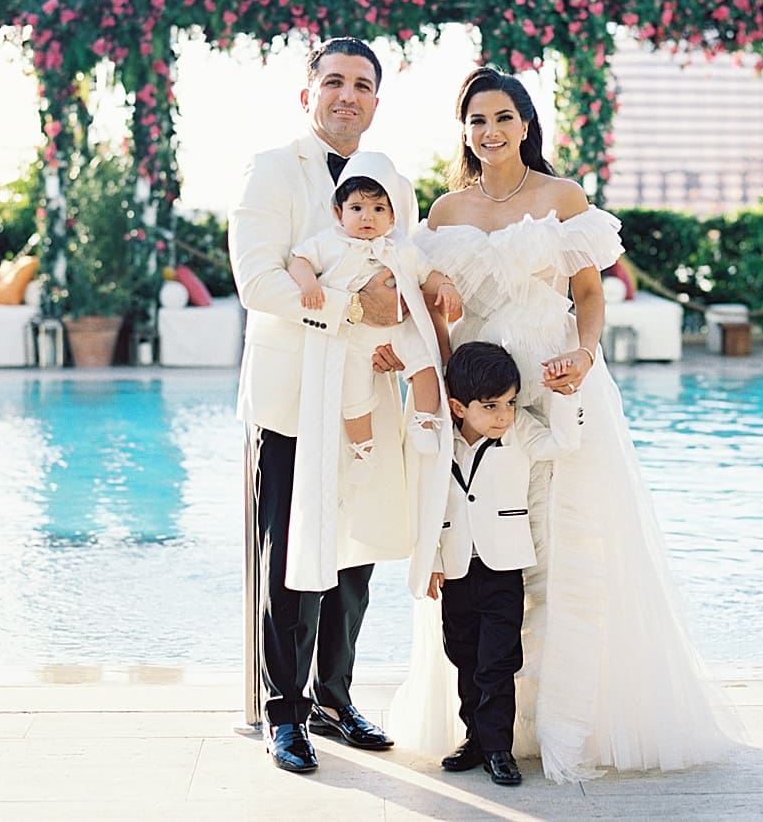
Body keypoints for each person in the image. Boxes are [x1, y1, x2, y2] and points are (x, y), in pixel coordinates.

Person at [392, 65, 732, 783]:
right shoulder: (445, 211)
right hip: (481, 399)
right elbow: (427, 301)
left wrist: (585, 353)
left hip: (556, 382)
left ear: (526, 124)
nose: (490, 132)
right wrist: (436, 295)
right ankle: (486, 726)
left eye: (503, 118)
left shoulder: (561, 196)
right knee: (478, 558)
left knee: (566, 554)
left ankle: (568, 720)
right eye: (477, 120)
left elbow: (588, 292)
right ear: (464, 130)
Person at [229, 37, 417, 774]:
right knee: (291, 558)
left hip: (368, 393)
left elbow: (404, 270)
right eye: (333, 81)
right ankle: (286, 712)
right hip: (290, 399)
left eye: (362, 85)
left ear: (376, 100)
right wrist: (350, 305)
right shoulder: (272, 170)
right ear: (307, 94)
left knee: (358, 553)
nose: (348, 95)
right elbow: (259, 283)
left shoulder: (391, 179)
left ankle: (335, 699)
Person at [420, 341, 583, 787]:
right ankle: (474, 736)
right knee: (463, 654)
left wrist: (565, 396)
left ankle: (498, 749)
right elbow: (428, 504)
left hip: (503, 567)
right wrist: (431, 558)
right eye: (490, 407)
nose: (503, 416)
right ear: (457, 406)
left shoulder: (521, 432)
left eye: (509, 404)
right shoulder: (438, 441)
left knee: (496, 660)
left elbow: (564, 442)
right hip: (456, 567)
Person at [286, 155, 460, 480]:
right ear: (339, 212)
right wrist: (308, 282)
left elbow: (427, 274)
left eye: (378, 209)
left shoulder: (401, 247)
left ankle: (424, 420)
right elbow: (298, 260)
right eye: (357, 209)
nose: (367, 217)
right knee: (353, 393)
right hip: (352, 334)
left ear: (393, 216)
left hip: (397, 328)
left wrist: (446, 285)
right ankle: (362, 451)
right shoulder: (329, 243)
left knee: (424, 361)